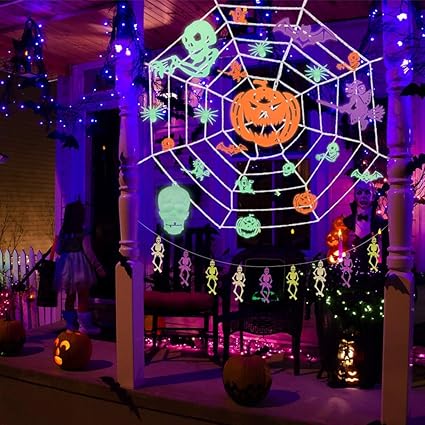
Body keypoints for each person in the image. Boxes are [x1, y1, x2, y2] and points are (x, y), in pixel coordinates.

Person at [54, 200, 106, 335]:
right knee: (83, 296)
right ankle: (85, 326)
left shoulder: (63, 232)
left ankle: (70, 326)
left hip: (66, 266)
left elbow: (58, 250)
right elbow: (88, 251)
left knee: (69, 297)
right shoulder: (82, 232)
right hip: (79, 266)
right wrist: (98, 267)